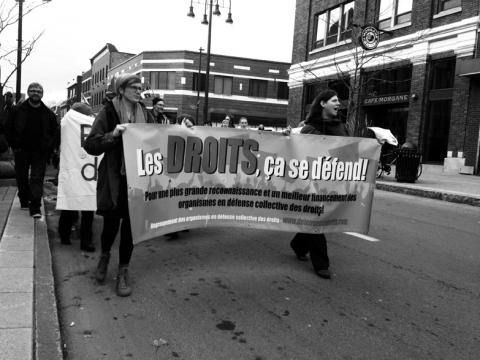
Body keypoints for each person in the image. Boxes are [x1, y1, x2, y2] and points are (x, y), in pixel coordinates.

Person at [84, 74, 156, 297]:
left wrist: (186, 128)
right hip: (116, 179)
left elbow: (160, 137)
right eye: (133, 87)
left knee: (131, 229)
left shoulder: (147, 113)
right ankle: (104, 257)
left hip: (139, 179)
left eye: (140, 87)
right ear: (122, 90)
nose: (138, 91)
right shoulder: (109, 111)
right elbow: (91, 144)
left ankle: (123, 271)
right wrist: (113, 134)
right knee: (111, 225)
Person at [289, 89, 347, 280]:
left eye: (338, 101)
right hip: (312, 183)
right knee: (318, 220)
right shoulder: (308, 129)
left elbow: (351, 149)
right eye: (334, 100)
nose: (339, 103)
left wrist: (375, 145)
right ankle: (321, 264)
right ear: (322, 104)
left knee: (319, 218)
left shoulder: (341, 128)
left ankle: (298, 244)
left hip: (333, 181)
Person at [5, 83, 58, 218]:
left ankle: (35, 207)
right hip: (21, 150)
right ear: (28, 92)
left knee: (37, 178)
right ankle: (24, 199)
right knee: (21, 177)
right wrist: (13, 145)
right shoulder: (17, 110)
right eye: (33, 91)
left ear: (42, 94)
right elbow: (8, 128)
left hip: (40, 152)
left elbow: (54, 132)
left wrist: (49, 148)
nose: (36, 93)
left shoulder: (48, 113)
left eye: (39, 91)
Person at [57, 102, 96, 252]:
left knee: (70, 202)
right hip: (87, 169)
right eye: (88, 114)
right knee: (88, 206)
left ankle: (64, 235)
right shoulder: (83, 124)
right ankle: (86, 240)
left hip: (74, 167)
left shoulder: (65, 122)